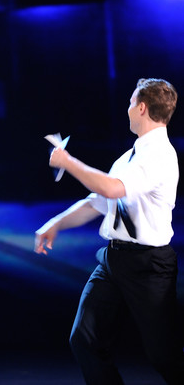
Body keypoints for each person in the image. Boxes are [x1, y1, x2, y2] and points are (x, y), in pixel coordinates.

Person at [34, 78, 184, 384]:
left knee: (164, 355)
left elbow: (112, 188)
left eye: (131, 103)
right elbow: (98, 201)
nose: (127, 109)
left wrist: (68, 162)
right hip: (114, 261)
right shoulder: (130, 157)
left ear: (141, 108)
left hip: (149, 266)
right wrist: (56, 223)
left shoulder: (159, 155)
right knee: (85, 340)